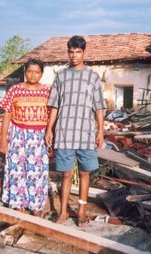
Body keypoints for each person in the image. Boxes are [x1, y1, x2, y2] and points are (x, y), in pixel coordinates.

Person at [45, 35, 107, 227]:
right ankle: (63, 212)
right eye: (71, 52)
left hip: (86, 133)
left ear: (84, 52)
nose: (74, 56)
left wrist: (100, 131)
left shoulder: (93, 77)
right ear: (68, 52)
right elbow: (54, 105)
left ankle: (81, 211)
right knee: (65, 174)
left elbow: (99, 107)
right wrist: (49, 130)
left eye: (78, 52)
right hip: (64, 133)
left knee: (85, 174)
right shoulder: (61, 76)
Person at [0, 58, 50, 217]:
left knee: (37, 172)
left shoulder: (48, 91)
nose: (33, 75)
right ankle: (18, 206)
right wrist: (3, 139)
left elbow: (52, 116)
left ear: (42, 74)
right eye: (29, 71)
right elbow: (7, 115)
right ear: (24, 72)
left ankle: (36, 207)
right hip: (18, 135)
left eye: (37, 72)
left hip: (39, 136)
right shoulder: (15, 90)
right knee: (17, 170)